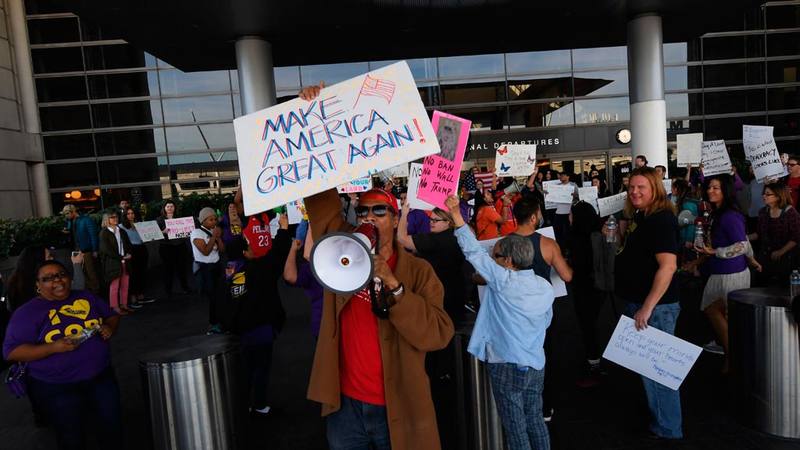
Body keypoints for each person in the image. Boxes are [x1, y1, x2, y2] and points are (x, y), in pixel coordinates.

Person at [446, 195, 555, 450]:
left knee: (515, 427)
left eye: (495, 257)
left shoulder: (503, 281)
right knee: (535, 420)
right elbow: (546, 322)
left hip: (506, 363)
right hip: (536, 363)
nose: (492, 260)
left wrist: (456, 215)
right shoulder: (545, 287)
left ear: (508, 261)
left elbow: (473, 251)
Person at [3, 260, 122, 450]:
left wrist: (109, 327)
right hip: (58, 387)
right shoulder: (27, 313)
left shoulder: (86, 297)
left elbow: (111, 315)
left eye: (61, 274)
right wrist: (52, 348)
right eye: (48, 278)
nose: (57, 281)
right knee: (71, 435)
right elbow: (12, 352)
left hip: (101, 377)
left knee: (112, 428)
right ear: (37, 285)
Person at [606, 166, 682, 439]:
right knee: (648, 370)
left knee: (659, 372)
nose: (635, 192)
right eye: (632, 187)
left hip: (655, 309)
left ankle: (669, 429)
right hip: (641, 303)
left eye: (642, 187)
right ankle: (661, 421)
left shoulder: (661, 219)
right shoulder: (642, 216)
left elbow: (668, 267)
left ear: (655, 190)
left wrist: (647, 307)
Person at [511, 197, 573, 421]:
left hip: (513, 312)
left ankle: (520, 407)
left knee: (517, 358)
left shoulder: (502, 245)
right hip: (542, 312)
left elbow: (487, 278)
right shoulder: (547, 244)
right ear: (534, 217)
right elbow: (566, 275)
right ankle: (544, 407)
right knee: (545, 355)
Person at [224, 212, 291, 416]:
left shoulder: (228, 272)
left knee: (244, 369)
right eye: (248, 243)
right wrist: (284, 229)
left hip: (238, 331)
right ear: (245, 252)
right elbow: (277, 255)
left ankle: (243, 404)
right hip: (260, 328)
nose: (253, 245)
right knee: (261, 367)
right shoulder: (258, 270)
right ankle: (259, 404)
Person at [696, 175, 761, 372]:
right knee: (716, 311)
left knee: (719, 312)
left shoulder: (729, 215)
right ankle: (734, 356)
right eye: (709, 187)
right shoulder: (718, 214)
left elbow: (741, 244)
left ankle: (733, 357)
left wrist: (715, 252)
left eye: (716, 188)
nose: (710, 191)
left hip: (731, 273)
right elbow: (744, 243)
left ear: (726, 190)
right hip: (724, 271)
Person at [568, 201, 606, 386]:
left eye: (571, 214)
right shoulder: (599, 233)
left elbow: (576, 268)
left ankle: (594, 365)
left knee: (588, 326)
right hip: (601, 287)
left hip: (584, 287)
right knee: (595, 324)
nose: (569, 217)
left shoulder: (577, 238)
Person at [749, 182, 800, 286]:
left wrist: (781, 252)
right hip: (765, 257)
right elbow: (758, 233)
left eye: (768, 194)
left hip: (786, 259)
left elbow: (796, 237)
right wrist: (743, 238)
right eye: (764, 193)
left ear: (778, 196)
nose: (764, 196)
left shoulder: (790, 212)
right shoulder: (763, 212)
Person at [283, 226, 323, 338]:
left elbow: (308, 255)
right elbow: (290, 276)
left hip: (336, 326)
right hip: (322, 326)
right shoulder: (311, 268)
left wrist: (293, 249)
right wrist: (293, 249)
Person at [191, 207, 226, 334]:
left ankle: (220, 321)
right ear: (203, 220)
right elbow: (205, 251)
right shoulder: (196, 233)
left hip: (216, 266)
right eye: (211, 219)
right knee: (213, 297)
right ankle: (213, 324)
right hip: (205, 268)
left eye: (215, 219)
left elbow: (222, 250)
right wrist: (213, 237)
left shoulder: (213, 231)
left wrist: (219, 238)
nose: (214, 222)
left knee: (220, 295)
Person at [62, 205, 101, 295]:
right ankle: (89, 291)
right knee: (81, 272)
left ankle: (96, 291)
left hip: (86, 250)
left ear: (73, 211)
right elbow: (70, 232)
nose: (66, 216)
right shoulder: (70, 221)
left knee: (91, 272)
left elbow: (93, 235)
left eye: (67, 213)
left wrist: (95, 249)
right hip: (76, 250)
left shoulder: (86, 220)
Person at [99, 213, 134, 315]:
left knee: (125, 284)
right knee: (114, 286)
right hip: (112, 262)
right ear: (107, 219)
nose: (115, 219)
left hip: (125, 261)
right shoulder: (104, 233)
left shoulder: (121, 231)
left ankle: (124, 304)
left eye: (116, 217)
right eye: (112, 217)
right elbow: (106, 249)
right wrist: (121, 257)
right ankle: (115, 307)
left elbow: (128, 244)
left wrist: (129, 253)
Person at [156, 200, 192, 298]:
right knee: (168, 269)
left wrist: (187, 232)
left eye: (172, 206)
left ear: (175, 208)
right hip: (166, 247)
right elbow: (155, 235)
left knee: (182, 268)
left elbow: (186, 232)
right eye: (168, 206)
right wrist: (163, 232)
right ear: (164, 208)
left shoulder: (179, 219)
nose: (170, 208)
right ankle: (168, 290)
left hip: (180, 246)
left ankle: (185, 287)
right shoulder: (159, 220)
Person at [120, 207, 153, 308]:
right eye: (128, 214)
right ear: (125, 215)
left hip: (142, 249)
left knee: (142, 273)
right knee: (133, 275)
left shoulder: (140, 224)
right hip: (131, 251)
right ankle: (133, 298)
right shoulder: (121, 227)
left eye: (132, 213)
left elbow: (146, 236)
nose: (130, 215)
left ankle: (141, 296)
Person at [5, 246, 53, 312]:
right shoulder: (36, 285)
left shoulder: (15, 282)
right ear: (38, 261)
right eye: (49, 257)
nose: (52, 259)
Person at [550, 171, 577, 243]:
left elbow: (578, 197)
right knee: (558, 232)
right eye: (561, 175)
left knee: (568, 232)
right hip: (558, 212)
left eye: (563, 175)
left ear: (568, 177)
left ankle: (568, 249)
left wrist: (574, 196)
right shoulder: (557, 186)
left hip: (569, 213)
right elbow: (552, 196)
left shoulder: (573, 185)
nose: (561, 177)